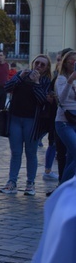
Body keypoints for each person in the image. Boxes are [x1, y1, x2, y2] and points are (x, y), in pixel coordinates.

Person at [0, 55, 52, 196]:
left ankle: (30, 183)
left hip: (32, 121)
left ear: (46, 68)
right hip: (15, 118)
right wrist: (20, 77)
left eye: (42, 65)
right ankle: (12, 182)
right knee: (16, 152)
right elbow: (7, 87)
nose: (39, 66)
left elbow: (42, 100)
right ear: (33, 63)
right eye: (37, 63)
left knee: (31, 152)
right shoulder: (21, 74)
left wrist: (36, 83)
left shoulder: (46, 81)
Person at [54, 50, 76, 183]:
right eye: (71, 61)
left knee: (72, 157)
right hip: (64, 121)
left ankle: (64, 189)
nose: (73, 64)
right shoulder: (62, 78)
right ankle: (63, 187)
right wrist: (70, 80)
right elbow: (61, 99)